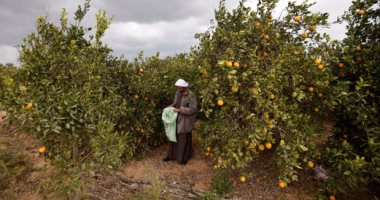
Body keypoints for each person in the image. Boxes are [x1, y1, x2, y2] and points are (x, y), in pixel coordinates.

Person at [163, 79, 198, 165]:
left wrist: (180, 110)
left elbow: (193, 109)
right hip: (177, 118)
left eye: (180, 87)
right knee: (173, 136)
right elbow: (175, 103)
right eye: (178, 87)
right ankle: (171, 156)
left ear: (185, 87)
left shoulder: (191, 95)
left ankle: (183, 158)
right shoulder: (178, 93)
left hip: (185, 120)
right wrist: (170, 106)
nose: (178, 88)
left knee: (183, 138)